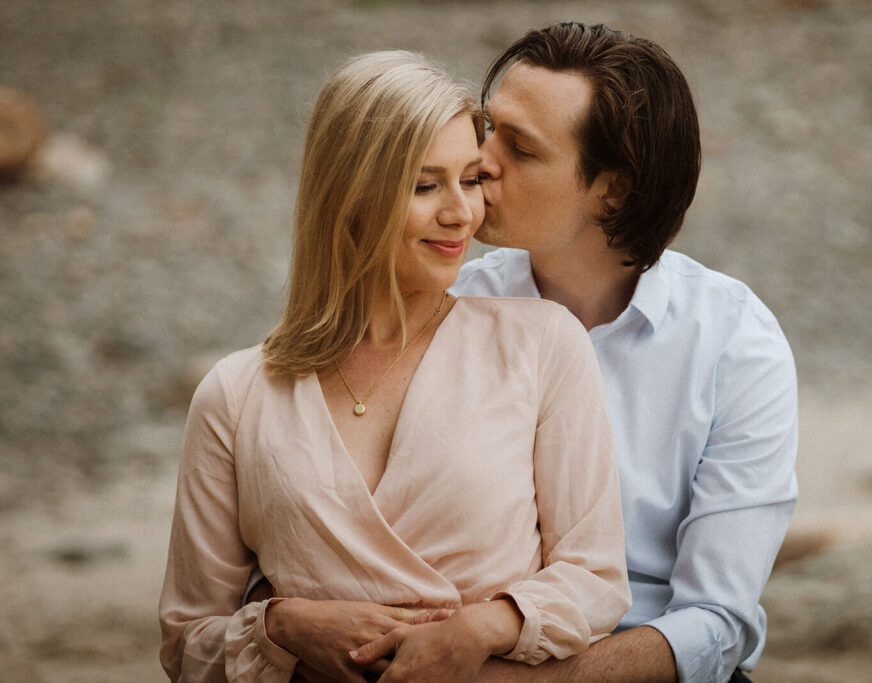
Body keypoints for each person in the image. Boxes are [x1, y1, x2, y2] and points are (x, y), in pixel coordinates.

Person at [158, 50, 631, 683]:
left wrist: (482, 627)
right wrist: (281, 626)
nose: (462, 213)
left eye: (470, 180)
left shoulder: (541, 345)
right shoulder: (237, 396)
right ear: (349, 195)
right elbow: (188, 645)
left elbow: (595, 579)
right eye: (425, 185)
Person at [451, 23, 799, 683]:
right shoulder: (450, 308)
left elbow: (719, 620)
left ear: (614, 189)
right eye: (488, 127)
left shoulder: (735, 341)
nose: (481, 159)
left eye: (519, 147)